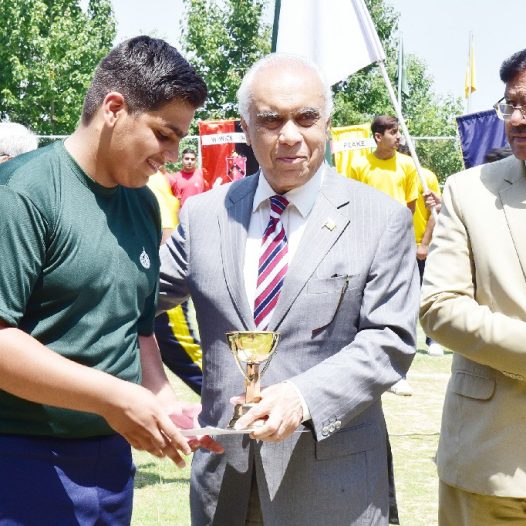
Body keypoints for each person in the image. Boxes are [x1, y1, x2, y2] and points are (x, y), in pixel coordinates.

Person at [159, 53, 419, 525]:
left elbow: (390, 340)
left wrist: (302, 398)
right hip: (224, 487)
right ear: (246, 128)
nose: (290, 135)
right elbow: (132, 299)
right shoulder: (203, 216)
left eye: (306, 118)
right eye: (271, 120)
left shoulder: (380, 219)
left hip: (332, 490)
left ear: (327, 124)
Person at [0, 36, 222, 525]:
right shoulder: (21, 194)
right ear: (115, 109)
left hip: (110, 463)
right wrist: (115, 397)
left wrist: (164, 405)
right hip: (21, 461)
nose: (173, 154)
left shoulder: (142, 203)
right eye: (164, 134)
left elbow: (138, 331)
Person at [420, 47, 526, 525]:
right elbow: (439, 307)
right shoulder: (468, 191)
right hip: (492, 463)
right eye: (511, 104)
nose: (517, 119)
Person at [349, 116, 419, 396]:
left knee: (399, 302)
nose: (398, 137)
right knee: (363, 303)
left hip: (398, 242)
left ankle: (396, 373)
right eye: (393, 132)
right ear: (378, 137)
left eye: (398, 132)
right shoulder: (358, 164)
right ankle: (361, 367)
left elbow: (411, 205)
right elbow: (352, 203)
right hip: (363, 242)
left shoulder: (407, 165)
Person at [147, 165, 204, 394]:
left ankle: (232, 395)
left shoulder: (150, 180)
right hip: (149, 280)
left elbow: (167, 230)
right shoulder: (151, 178)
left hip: (160, 279)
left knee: (182, 348)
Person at [398, 144, 443, 356]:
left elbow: (435, 212)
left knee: (428, 293)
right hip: (397, 246)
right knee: (400, 296)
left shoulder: (426, 177)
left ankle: (433, 339)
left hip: (421, 247)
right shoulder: (390, 174)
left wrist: (424, 243)